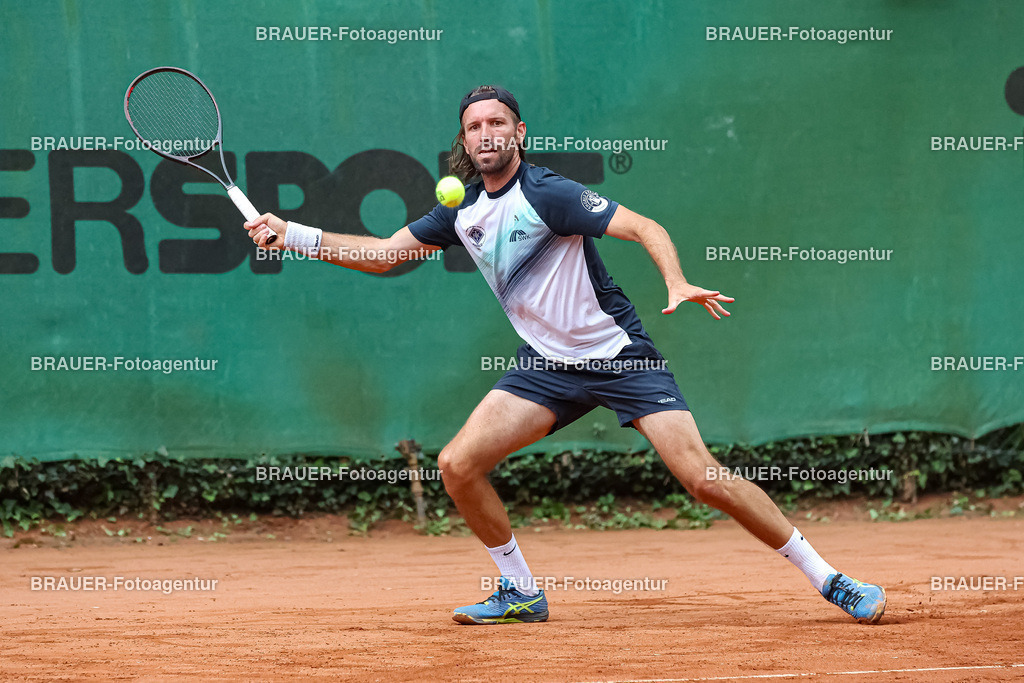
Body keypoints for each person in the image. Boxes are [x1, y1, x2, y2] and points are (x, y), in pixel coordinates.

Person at [244, 85, 886, 626]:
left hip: (618, 355)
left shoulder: (548, 194)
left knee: (701, 479)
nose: (486, 133)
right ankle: (521, 591)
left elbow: (643, 227)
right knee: (457, 465)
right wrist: (292, 233)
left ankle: (831, 579)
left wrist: (675, 280)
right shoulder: (461, 209)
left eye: (498, 122)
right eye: (474, 126)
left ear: (519, 132)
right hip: (549, 366)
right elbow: (385, 256)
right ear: (463, 143)